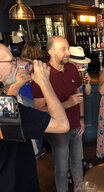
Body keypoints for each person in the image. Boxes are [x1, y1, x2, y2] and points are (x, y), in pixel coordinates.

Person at [0, 43, 69, 192]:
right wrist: (44, 82)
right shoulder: (10, 112)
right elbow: (62, 124)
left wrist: (16, 85)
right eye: (11, 61)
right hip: (18, 185)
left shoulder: (5, 107)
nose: (17, 65)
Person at [32, 36, 84, 192]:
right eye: (64, 49)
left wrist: (82, 118)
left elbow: (79, 97)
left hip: (76, 126)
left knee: (77, 162)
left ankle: (79, 189)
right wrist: (67, 103)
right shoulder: (42, 75)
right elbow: (39, 109)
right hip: (57, 132)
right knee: (61, 169)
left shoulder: (72, 69)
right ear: (50, 52)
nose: (68, 52)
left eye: (68, 48)